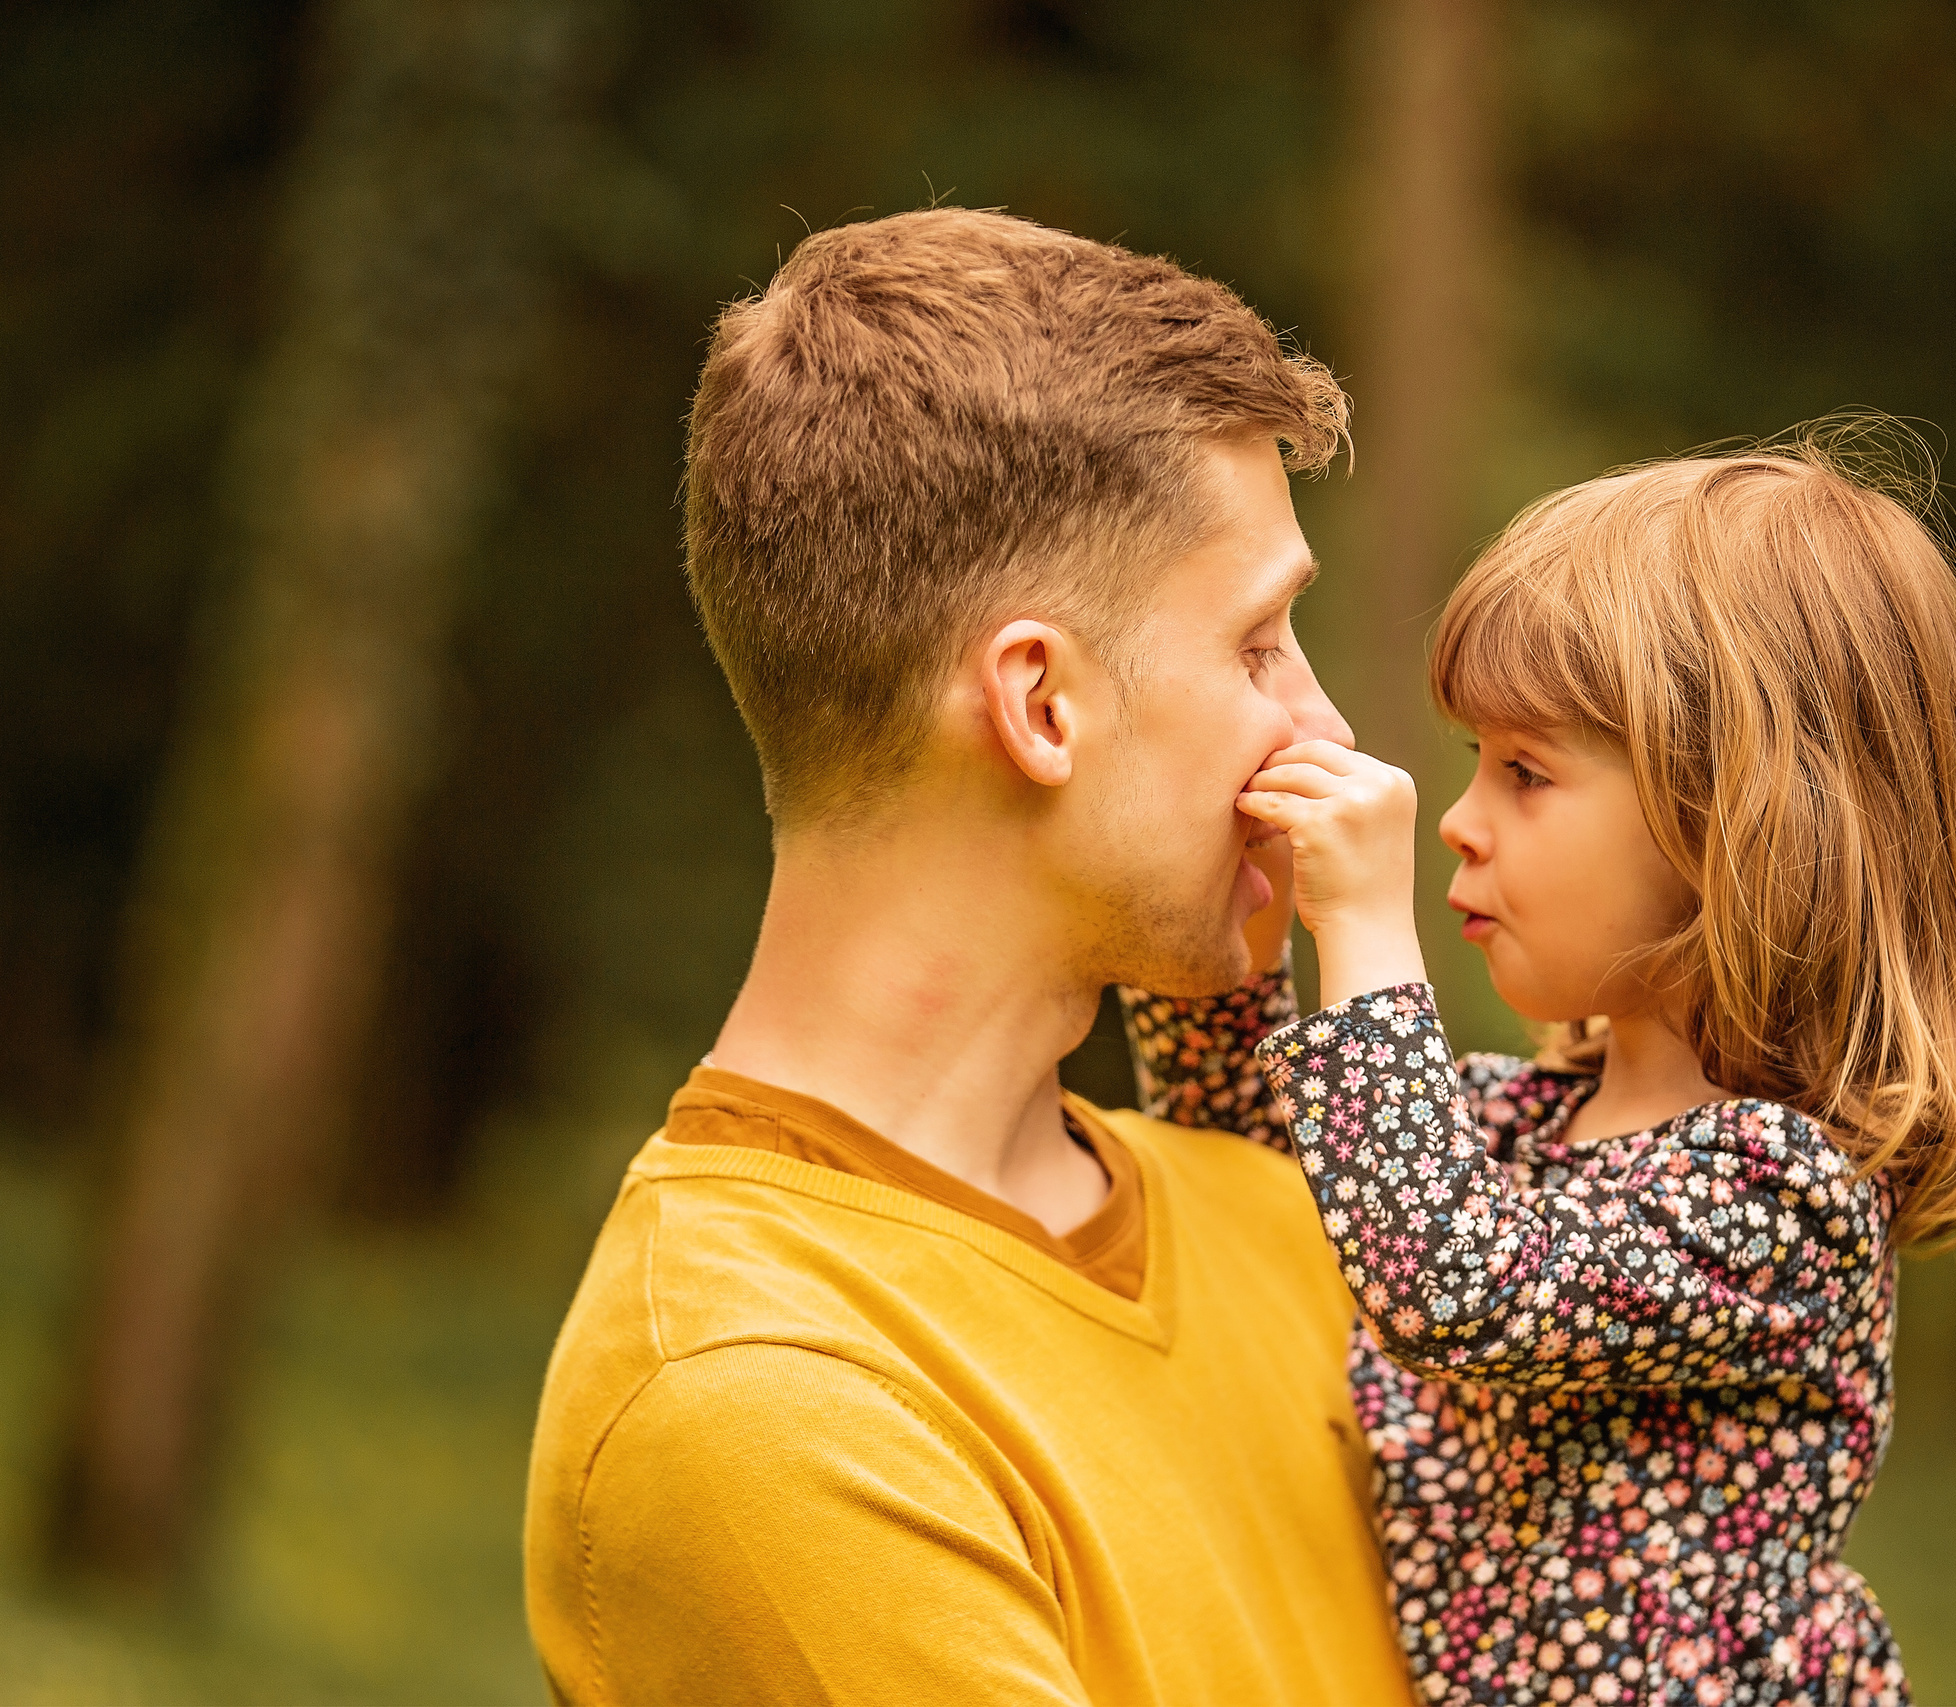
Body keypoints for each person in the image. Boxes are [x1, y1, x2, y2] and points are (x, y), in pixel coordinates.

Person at [522, 208, 1413, 1706]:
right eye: (1260, 643)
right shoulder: (763, 1396)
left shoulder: (1279, 1217)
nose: (1323, 731)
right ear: (1041, 704)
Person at [1120, 427, 1956, 1706]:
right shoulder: (1523, 1124)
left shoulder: (1779, 1201)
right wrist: (1244, 923)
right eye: (1476, 761)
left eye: (1526, 772)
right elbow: (1245, 1149)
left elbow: (1454, 1287)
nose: (1458, 819)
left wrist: (1365, 928)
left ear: (1735, 828)